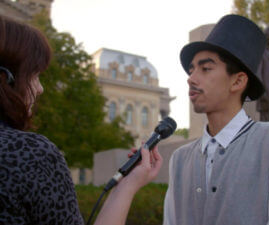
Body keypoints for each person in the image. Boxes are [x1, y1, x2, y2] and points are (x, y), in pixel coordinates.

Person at [0, 15, 162, 225]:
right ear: (6, 79)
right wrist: (128, 186)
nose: (40, 89)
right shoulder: (30, 154)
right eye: (34, 76)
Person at [163, 15, 269, 225]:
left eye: (205, 68)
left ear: (237, 81)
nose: (191, 78)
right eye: (191, 70)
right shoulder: (180, 160)